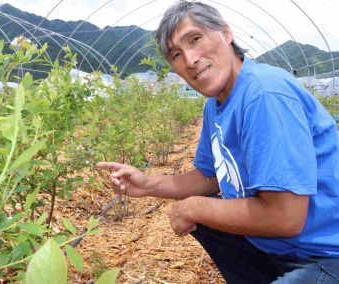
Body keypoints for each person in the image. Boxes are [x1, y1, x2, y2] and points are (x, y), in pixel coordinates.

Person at [97, 1, 339, 283]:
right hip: (277, 247)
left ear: (226, 34)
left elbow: (285, 217)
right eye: (176, 54)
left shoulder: (263, 94)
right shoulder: (216, 105)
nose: (190, 59)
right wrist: (148, 184)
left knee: (200, 210)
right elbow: (210, 176)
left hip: (323, 254)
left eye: (195, 39)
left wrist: (194, 207)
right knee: (205, 215)